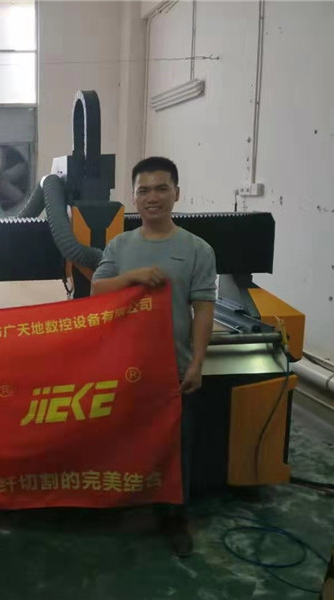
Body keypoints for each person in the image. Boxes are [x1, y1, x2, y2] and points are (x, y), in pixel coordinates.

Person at [91, 156, 216, 557]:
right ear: (134, 198)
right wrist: (132, 277)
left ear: (176, 193)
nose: (153, 197)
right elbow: (96, 291)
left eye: (161, 188)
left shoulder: (197, 249)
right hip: (126, 369)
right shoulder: (121, 246)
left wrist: (197, 362)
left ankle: (175, 519)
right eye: (144, 190)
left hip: (173, 371)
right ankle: (122, 508)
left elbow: (203, 309)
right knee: (124, 443)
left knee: (176, 450)